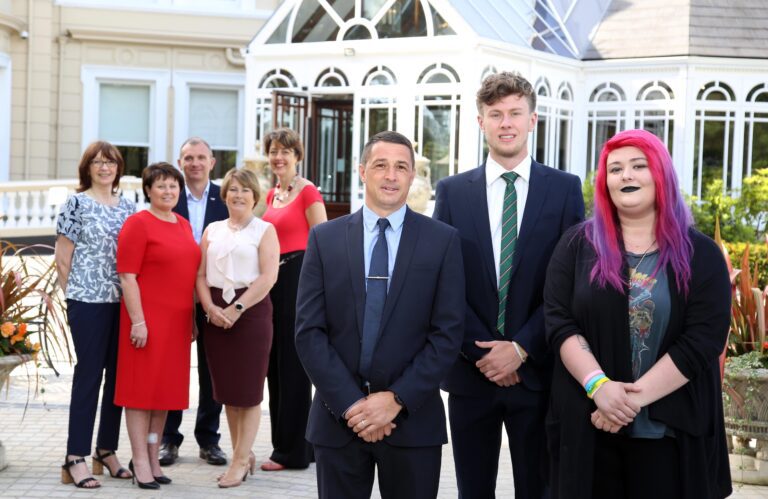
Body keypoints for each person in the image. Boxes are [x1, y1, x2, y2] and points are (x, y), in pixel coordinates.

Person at [543, 129, 732, 499]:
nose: (625, 175)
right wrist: (599, 388)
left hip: (669, 434)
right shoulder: (576, 246)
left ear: (660, 174)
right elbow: (558, 321)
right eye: (615, 169)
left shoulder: (701, 254)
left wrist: (624, 403)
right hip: (589, 428)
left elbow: (703, 340)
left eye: (638, 166)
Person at [433, 71, 584, 498]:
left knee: (539, 489)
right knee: (472, 490)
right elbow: (444, 283)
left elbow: (573, 281)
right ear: (480, 122)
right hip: (470, 372)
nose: (506, 123)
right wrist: (484, 352)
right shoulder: (451, 192)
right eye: (495, 114)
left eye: (515, 113)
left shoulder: (565, 190)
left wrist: (520, 348)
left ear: (532, 119)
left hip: (538, 373)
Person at [295, 131, 465, 499]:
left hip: (413, 422)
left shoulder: (443, 241)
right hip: (338, 421)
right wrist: (352, 405)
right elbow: (309, 332)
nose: (391, 175)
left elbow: (447, 334)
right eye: (381, 165)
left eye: (401, 167)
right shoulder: (325, 239)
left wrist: (396, 400)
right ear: (362, 171)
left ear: (412, 175)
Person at [115, 162, 201, 490]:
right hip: (145, 322)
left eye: (173, 186)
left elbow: (188, 278)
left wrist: (192, 320)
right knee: (141, 393)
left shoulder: (181, 224)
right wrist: (138, 321)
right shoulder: (138, 224)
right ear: (147, 190)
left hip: (177, 324)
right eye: (161, 186)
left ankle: (153, 455)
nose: (168, 191)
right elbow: (127, 276)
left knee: (164, 394)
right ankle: (139, 460)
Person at [56, 141, 135, 489]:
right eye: (98, 162)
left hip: (123, 304)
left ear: (118, 168)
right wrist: (71, 299)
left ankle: (106, 449)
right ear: (87, 168)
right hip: (87, 302)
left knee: (118, 379)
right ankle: (75, 456)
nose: (105, 168)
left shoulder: (129, 207)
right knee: (89, 376)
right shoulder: (76, 204)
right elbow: (63, 258)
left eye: (111, 162)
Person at [196, 168, 280, 488]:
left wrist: (236, 309)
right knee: (228, 392)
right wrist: (210, 308)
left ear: (255, 196)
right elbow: (200, 276)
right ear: (225, 194)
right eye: (233, 189)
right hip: (215, 314)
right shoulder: (212, 230)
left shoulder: (264, 230)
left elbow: (268, 277)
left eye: (245, 190)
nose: (239, 195)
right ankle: (240, 454)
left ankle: (241, 460)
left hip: (252, 313)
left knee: (249, 393)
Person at [159, 137, 229, 467]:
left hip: (214, 296)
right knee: (172, 367)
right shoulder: (169, 197)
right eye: (188, 157)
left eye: (201, 157)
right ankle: (169, 439)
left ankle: (208, 438)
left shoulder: (226, 198)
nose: (195, 163)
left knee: (212, 370)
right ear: (180, 162)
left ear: (212, 162)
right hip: (174, 296)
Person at [261, 128, 327, 471]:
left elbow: (323, 241)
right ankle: (285, 445)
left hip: (299, 280)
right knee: (275, 366)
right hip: (273, 280)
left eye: (286, 151)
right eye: (273, 151)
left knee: (294, 367)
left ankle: (293, 452)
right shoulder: (271, 195)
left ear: (297, 156)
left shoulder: (307, 191)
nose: (279, 157)